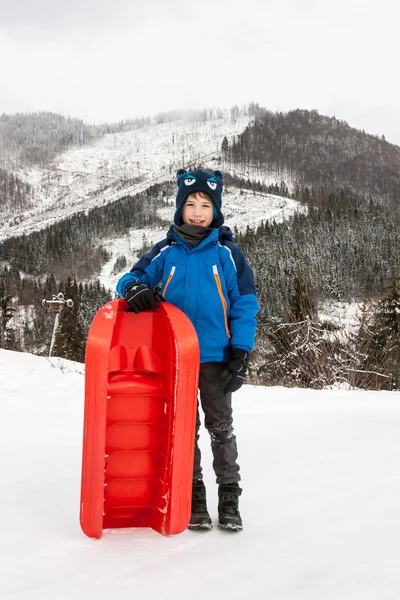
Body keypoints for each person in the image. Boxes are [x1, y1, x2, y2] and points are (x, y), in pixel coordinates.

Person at [116, 168, 258, 532]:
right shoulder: (164, 251)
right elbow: (130, 278)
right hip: (174, 356)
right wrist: (133, 289)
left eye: (205, 205)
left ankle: (229, 496)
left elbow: (244, 303)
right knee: (183, 428)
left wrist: (241, 351)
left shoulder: (228, 253)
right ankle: (193, 495)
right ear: (180, 209)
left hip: (215, 358)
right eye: (190, 204)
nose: (197, 211)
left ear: (216, 211)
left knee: (220, 428)